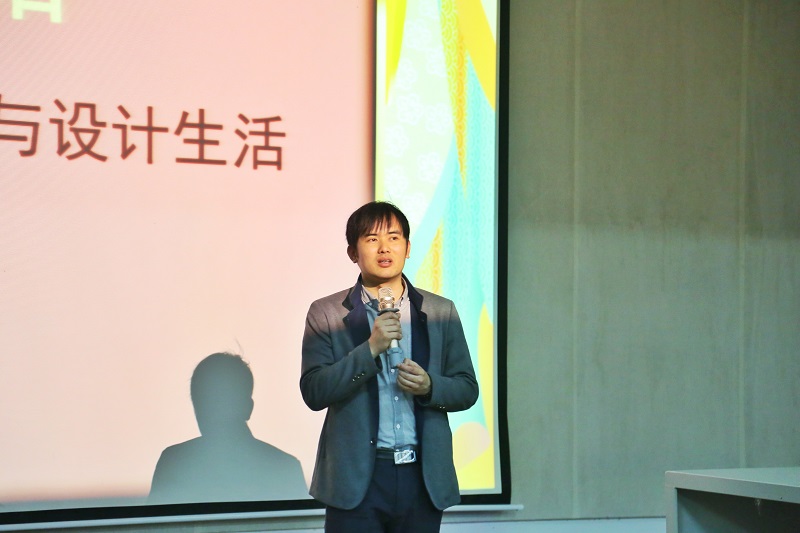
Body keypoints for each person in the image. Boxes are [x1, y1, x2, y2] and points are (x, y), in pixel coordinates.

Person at [300, 201, 479, 532]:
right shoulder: (327, 313)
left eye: (394, 238)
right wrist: (370, 349)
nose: (384, 248)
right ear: (353, 252)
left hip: (422, 479)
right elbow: (314, 391)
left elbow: (467, 388)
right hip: (357, 481)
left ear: (407, 248)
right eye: (371, 239)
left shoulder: (441, 312)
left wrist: (430, 386)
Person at [149, 352, 307, 504]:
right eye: (206, 403)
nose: (212, 412)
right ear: (248, 407)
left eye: (219, 402)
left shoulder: (175, 464)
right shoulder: (285, 468)